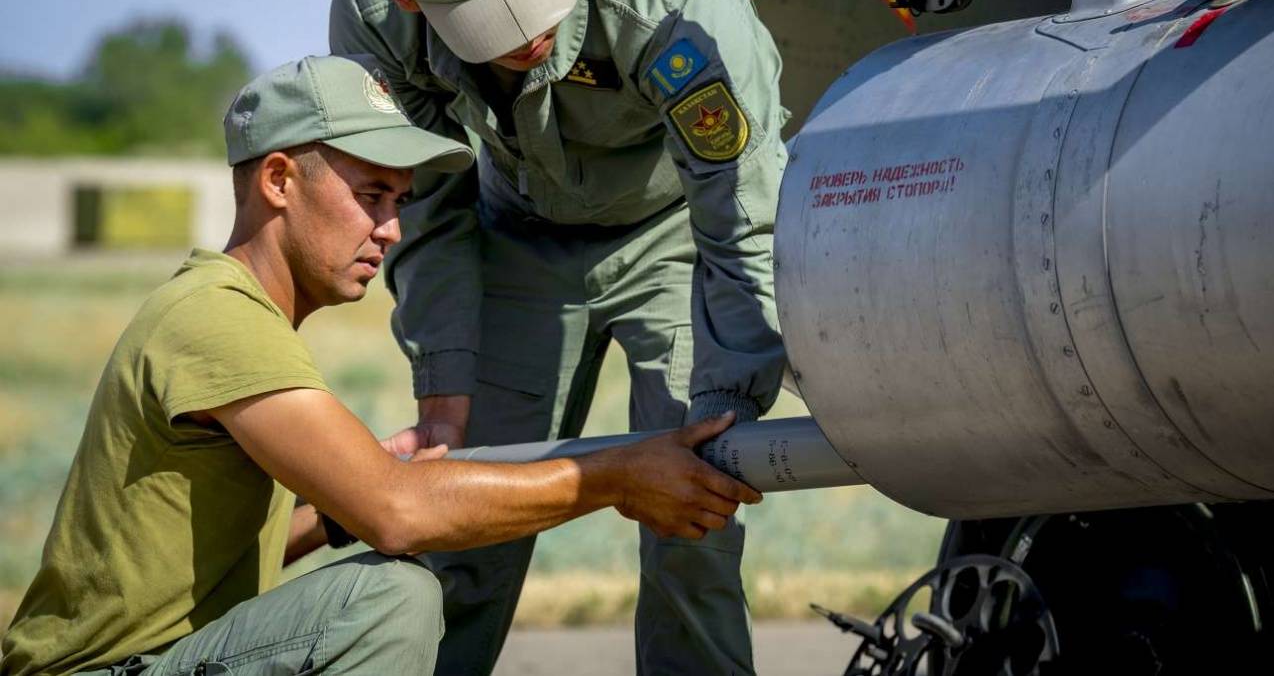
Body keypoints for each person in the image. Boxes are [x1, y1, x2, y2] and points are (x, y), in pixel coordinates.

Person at [0, 54, 760, 676]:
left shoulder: (228, 308)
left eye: (399, 200)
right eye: (371, 195)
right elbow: (399, 516)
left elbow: (221, 552)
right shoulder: (218, 319)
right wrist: (618, 478)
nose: (392, 229)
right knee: (389, 599)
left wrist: (337, 511)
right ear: (276, 182)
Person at [329, 0, 789, 676]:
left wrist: (727, 405)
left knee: (693, 523)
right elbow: (425, 204)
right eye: (483, 19)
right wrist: (445, 388)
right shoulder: (374, 16)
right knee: (466, 516)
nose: (523, 36)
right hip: (519, 239)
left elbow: (741, 211)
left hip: (675, 233)